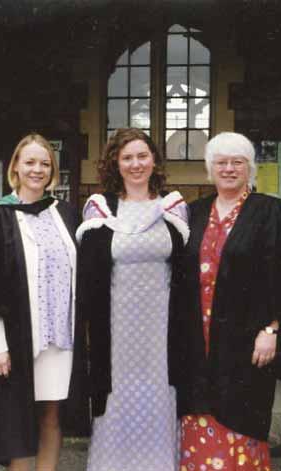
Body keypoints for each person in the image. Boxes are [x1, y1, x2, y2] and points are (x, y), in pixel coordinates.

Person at [174, 132, 281, 471]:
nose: (229, 169)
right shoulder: (194, 212)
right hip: (197, 342)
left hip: (246, 340)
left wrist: (272, 329)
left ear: (249, 167)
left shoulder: (270, 211)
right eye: (221, 162)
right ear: (210, 168)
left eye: (237, 162)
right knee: (197, 417)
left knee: (241, 421)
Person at [74, 128, 188, 471]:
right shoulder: (100, 209)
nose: (136, 164)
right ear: (115, 163)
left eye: (142, 156)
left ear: (154, 160)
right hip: (116, 330)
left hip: (161, 332)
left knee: (159, 400)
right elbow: (89, 278)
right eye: (127, 158)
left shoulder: (174, 207)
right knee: (117, 403)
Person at [0, 134, 77, 471]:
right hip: (18, 337)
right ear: (15, 166)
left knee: (51, 416)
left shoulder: (65, 214)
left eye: (45, 164)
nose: (37, 170)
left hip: (59, 338)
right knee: (17, 421)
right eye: (29, 162)